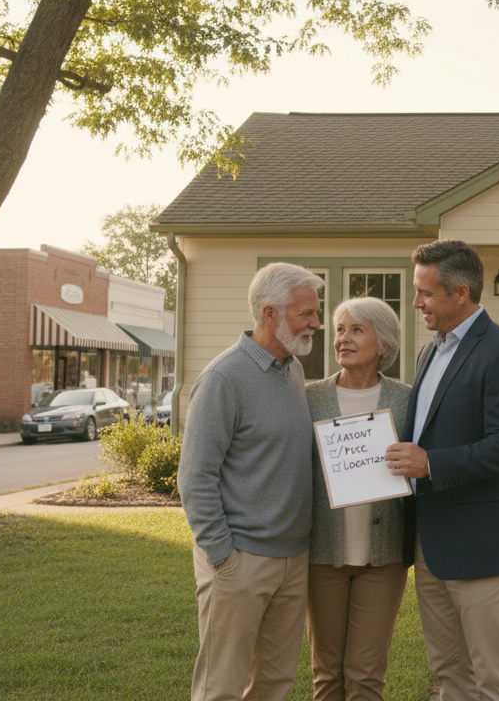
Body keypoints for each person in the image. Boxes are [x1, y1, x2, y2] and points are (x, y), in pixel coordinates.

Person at [384, 240, 499, 701]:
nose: (416, 303)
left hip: (481, 547)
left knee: (495, 679)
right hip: (430, 545)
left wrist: (431, 463)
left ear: (462, 293)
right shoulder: (429, 353)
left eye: (426, 293)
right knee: (451, 675)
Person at [177, 262, 322, 701]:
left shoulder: (293, 371)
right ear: (269, 314)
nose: (317, 323)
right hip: (239, 560)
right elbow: (195, 477)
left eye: (316, 312)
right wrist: (223, 555)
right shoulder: (224, 378)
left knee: (275, 685)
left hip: (294, 559)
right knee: (221, 687)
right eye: (306, 313)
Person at [305, 297, 414, 701]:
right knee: (327, 675)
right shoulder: (309, 397)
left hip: (382, 560)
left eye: (356, 330)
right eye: (339, 329)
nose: (342, 339)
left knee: (366, 676)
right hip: (322, 556)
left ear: (382, 344)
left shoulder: (407, 400)